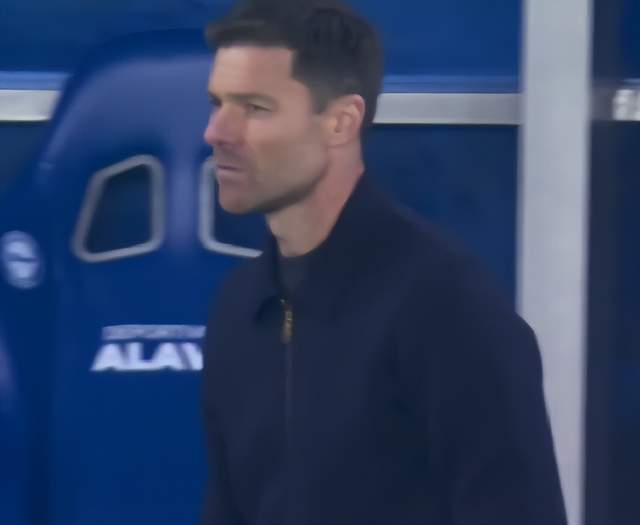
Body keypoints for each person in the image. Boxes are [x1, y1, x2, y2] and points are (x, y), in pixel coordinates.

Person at [200, 1, 567, 524]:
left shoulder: (445, 308)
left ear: (341, 121)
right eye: (217, 103)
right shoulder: (240, 309)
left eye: (255, 108)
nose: (217, 132)